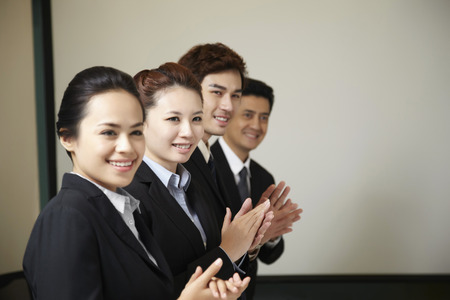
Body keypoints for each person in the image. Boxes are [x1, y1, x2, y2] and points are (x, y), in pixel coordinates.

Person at [22, 66, 249, 300]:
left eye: (135, 132)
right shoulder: (66, 216)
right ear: (68, 137)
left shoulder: (123, 209)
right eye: (109, 132)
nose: (127, 147)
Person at [125, 62, 273, 298]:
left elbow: (212, 264)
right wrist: (227, 250)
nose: (188, 132)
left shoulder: (192, 183)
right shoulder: (127, 195)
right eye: (174, 119)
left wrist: (245, 245)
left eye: (196, 119)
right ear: (139, 123)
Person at [178, 43, 294, 299]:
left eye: (235, 96)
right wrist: (239, 242)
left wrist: (259, 240)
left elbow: (257, 254)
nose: (229, 106)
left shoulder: (258, 175)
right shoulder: (179, 162)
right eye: (217, 92)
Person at [211, 78, 303, 298]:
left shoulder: (263, 177)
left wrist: (271, 237)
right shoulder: (203, 167)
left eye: (264, 117)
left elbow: (270, 257)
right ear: (228, 114)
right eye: (248, 115)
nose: (256, 125)